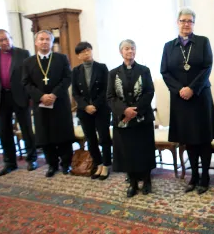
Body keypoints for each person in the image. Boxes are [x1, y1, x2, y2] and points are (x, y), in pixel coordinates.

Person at [161, 8, 214, 195]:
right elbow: (165, 71)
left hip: (200, 97)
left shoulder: (203, 42)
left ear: (194, 23)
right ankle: (193, 176)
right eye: (183, 20)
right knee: (188, 140)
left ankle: (204, 177)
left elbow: (207, 67)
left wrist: (192, 89)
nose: (186, 24)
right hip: (180, 100)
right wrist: (180, 90)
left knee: (203, 139)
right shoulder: (169, 46)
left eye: (190, 21)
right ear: (177, 22)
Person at [0, 29, 37, 176]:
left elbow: (31, 77)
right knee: (5, 132)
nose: (4, 42)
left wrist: (32, 97)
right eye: (0, 40)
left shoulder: (23, 54)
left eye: (6, 39)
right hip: (0, 98)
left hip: (20, 97)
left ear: (11, 38)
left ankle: (32, 159)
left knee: (26, 130)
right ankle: (10, 162)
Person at [22, 30, 75, 177]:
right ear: (36, 42)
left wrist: (54, 94)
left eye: (47, 39)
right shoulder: (28, 62)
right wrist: (41, 96)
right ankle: (52, 165)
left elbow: (67, 78)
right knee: (45, 136)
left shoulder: (61, 58)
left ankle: (66, 164)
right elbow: (26, 83)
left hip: (59, 103)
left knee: (63, 134)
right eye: (41, 39)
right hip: (41, 105)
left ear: (52, 42)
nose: (44, 42)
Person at [108, 39, 156, 197]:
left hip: (142, 118)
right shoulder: (113, 73)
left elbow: (149, 92)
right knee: (128, 152)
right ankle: (133, 183)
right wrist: (124, 110)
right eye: (127, 49)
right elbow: (110, 97)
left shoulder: (144, 70)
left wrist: (135, 110)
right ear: (121, 52)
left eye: (133, 49)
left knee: (144, 150)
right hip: (123, 120)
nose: (130, 52)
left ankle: (147, 181)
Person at [72, 42, 111, 180]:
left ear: (92, 51)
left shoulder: (102, 68)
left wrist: (94, 105)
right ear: (78, 56)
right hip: (84, 111)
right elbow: (75, 93)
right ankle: (98, 164)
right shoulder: (76, 71)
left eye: (88, 50)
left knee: (104, 138)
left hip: (101, 109)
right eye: (82, 52)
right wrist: (85, 106)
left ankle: (106, 165)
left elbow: (107, 89)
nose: (86, 53)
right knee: (91, 139)